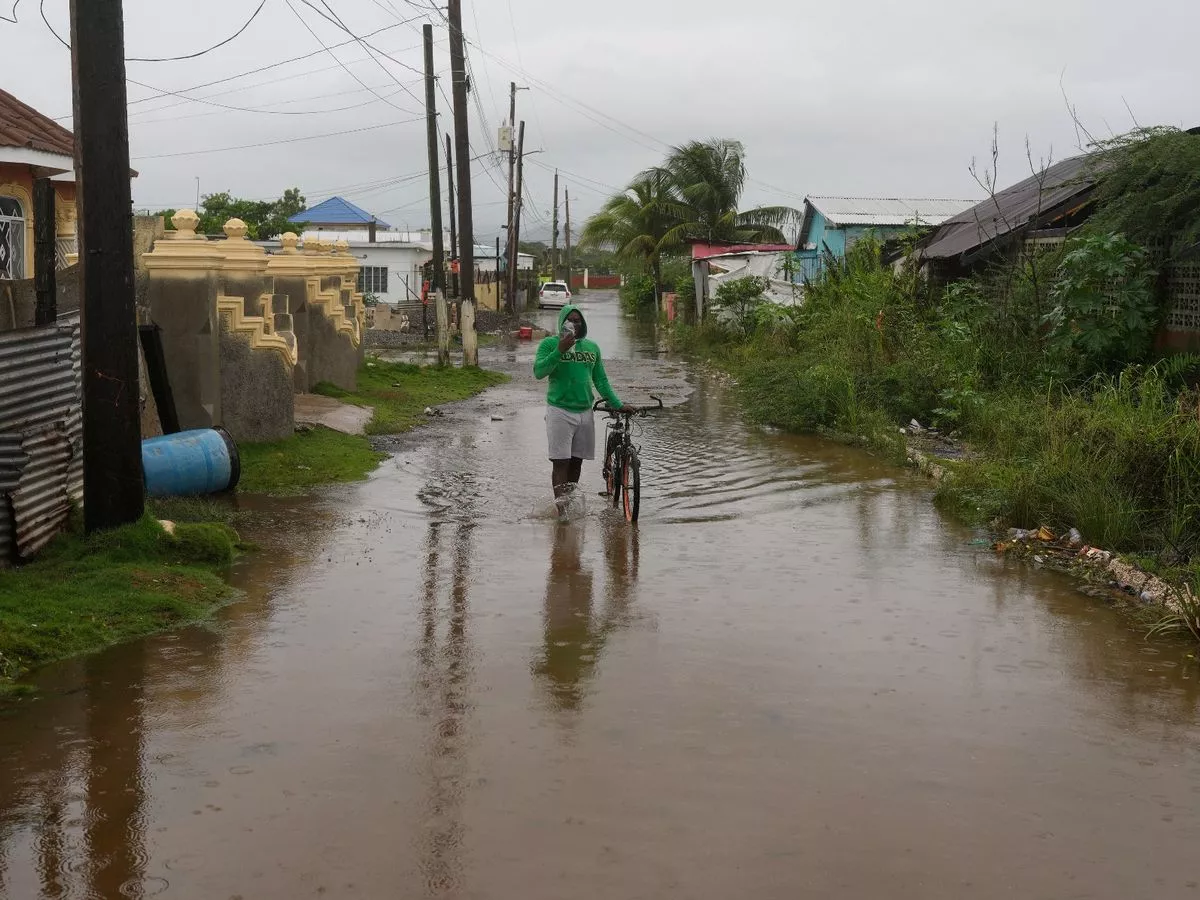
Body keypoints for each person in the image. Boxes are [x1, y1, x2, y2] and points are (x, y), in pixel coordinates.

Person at [533, 304, 625, 517]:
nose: (574, 324)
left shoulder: (592, 348)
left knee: (576, 463)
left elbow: (600, 380)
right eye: (570, 320)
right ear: (562, 322)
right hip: (559, 411)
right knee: (560, 463)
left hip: (585, 412)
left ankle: (569, 503)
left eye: (578, 320)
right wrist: (560, 351)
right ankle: (562, 514)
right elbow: (539, 372)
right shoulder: (549, 344)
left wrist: (617, 403)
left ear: (582, 324)